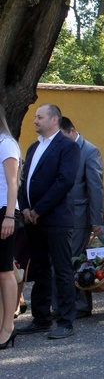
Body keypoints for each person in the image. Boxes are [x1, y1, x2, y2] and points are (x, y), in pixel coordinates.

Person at [16, 104, 80, 339]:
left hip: (56, 218)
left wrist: (39, 209)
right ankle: (41, 318)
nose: (35, 121)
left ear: (54, 120)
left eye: (39, 117)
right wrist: (24, 207)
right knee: (40, 269)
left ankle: (65, 321)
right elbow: (24, 180)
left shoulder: (67, 147)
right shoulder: (34, 147)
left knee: (62, 270)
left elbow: (64, 182)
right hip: (32, 219)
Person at [59, 117, 104, 319]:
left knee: (76, 260)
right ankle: (62, 304)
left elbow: (95, 188)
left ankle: (81, 305)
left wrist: (96, 220)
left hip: (79, 215)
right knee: (61, 260)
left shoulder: (89, 151)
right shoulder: (59, 149)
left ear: (72, 131)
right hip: (59, 215)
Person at [0, 105, 20, 349]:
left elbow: (13, 184)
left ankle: (8, 327)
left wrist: (9, 217)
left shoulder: (6, 143)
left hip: (4, 211)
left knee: (5, 271)